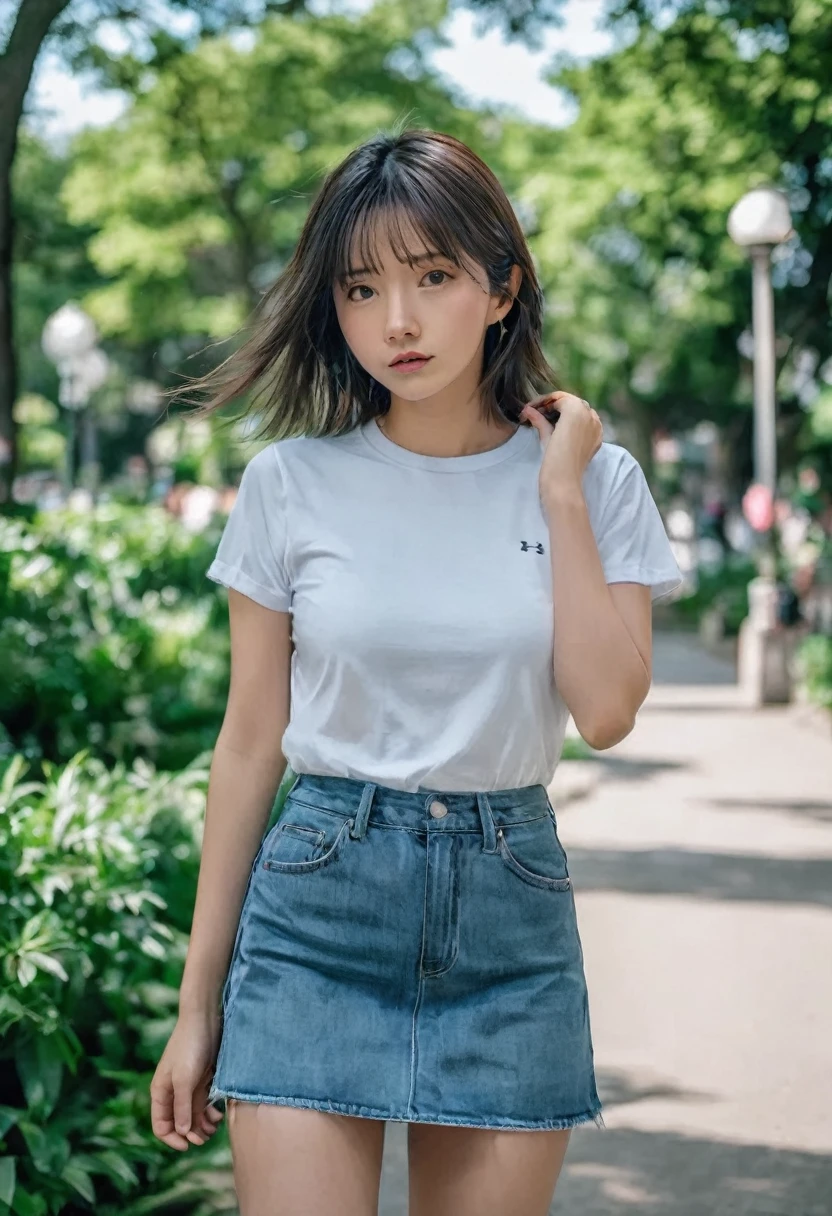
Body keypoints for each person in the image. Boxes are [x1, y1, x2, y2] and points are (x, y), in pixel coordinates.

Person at [150, 127, 683, 1216]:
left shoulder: (595, 478)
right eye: (360, 288)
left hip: (507, 913)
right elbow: (251, 740)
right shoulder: (290, 484)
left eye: (433, 277)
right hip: (316, 913)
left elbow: (607, 709)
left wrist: (561, 495)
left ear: (500, 291)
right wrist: (197, 999)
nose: (395, 320)